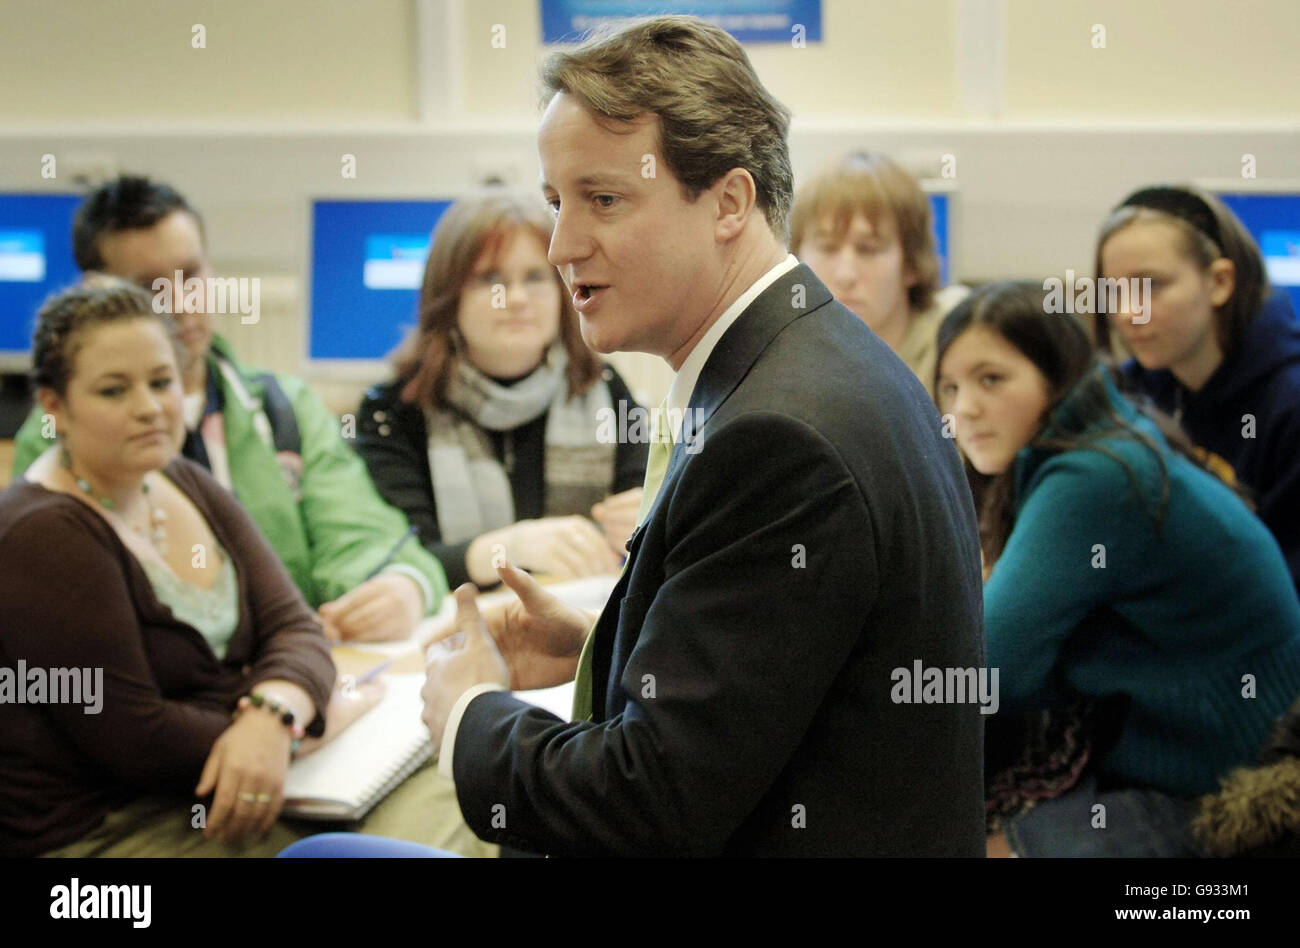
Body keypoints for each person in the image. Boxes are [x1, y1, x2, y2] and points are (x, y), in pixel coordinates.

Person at [416, 15, 985, 857]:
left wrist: (468, 712)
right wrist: (602, 651)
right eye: (556, 202)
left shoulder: (777, 439)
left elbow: (646, 804)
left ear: (728, 202)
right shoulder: (822, 356)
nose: (563, 245)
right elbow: (791, 677)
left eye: (603, 199)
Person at [0, 280, 490, 857]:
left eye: (161, 382)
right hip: (115, 829)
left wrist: (273, 714)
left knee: (463, 798)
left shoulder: (180, 478)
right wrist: (301, 729)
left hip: (245, 772)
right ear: (54, 406)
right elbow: (138, 738)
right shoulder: (43, 531)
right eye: (114, 390)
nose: (149, 407)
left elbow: (295, 625)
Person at [934, 281, 1300, 857]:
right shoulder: (1101, 435)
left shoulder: (1092, 478)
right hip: (1192, 745)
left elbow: (990, 669)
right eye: (950, 386)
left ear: (1057, 377)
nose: (964, 409)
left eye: (992, 379)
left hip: (1227, 777)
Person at [10, 175, 448, 641]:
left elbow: (365, 535)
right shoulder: (57, 439)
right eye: (149, 287)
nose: (179, 303)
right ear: (99, 294)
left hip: (300, 666)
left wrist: (402, 586)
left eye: (190, 275)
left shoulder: (284, 408)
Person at [355, 192, 647, 589]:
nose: (517, 299)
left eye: (535, 277)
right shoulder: (392, 408)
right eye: (490, 279)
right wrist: (510, 547)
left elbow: (647, 528)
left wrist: (645, 522)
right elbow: (397, 559)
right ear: (448, 295)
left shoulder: (605, 387)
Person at [1095, 184, 1300, 590]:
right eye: (1114, 291)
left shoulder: (1289, 403)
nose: (1127, 313)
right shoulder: (1128, 393)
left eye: (1150, 286)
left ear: (1220, 281)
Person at [791, 151, 968, 396]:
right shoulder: (779, 351)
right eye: (827, 248)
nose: (845, 275)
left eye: (868, 249)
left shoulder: (960, 341)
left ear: (912, 263)